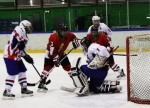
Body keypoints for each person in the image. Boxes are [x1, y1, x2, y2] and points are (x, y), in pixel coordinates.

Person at [37, 24, 80, 92]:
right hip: (50, 55)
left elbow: (73, 37)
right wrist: (55, 59)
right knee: (47, 68)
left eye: (66, 30)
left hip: (61, 53)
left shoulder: (69, 34)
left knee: (68, 67)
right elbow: (52, 52)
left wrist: (75, 41)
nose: (65, 32)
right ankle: (42, 83)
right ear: (59, 31)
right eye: (63, 31)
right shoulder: (53, 37)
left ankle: (76, 81)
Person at [2, 20, 34, 100]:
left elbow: (21, 49)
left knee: (22, 70)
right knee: (12, 73)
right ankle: (7, 91)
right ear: (24, 26)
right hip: (10, 55)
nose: (29, 29)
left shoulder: (26, 36)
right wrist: (19, 44)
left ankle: (24, 89)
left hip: (17, 56)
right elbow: (14, 45)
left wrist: (26, 56)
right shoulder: (19, 29)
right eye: (28, 27)